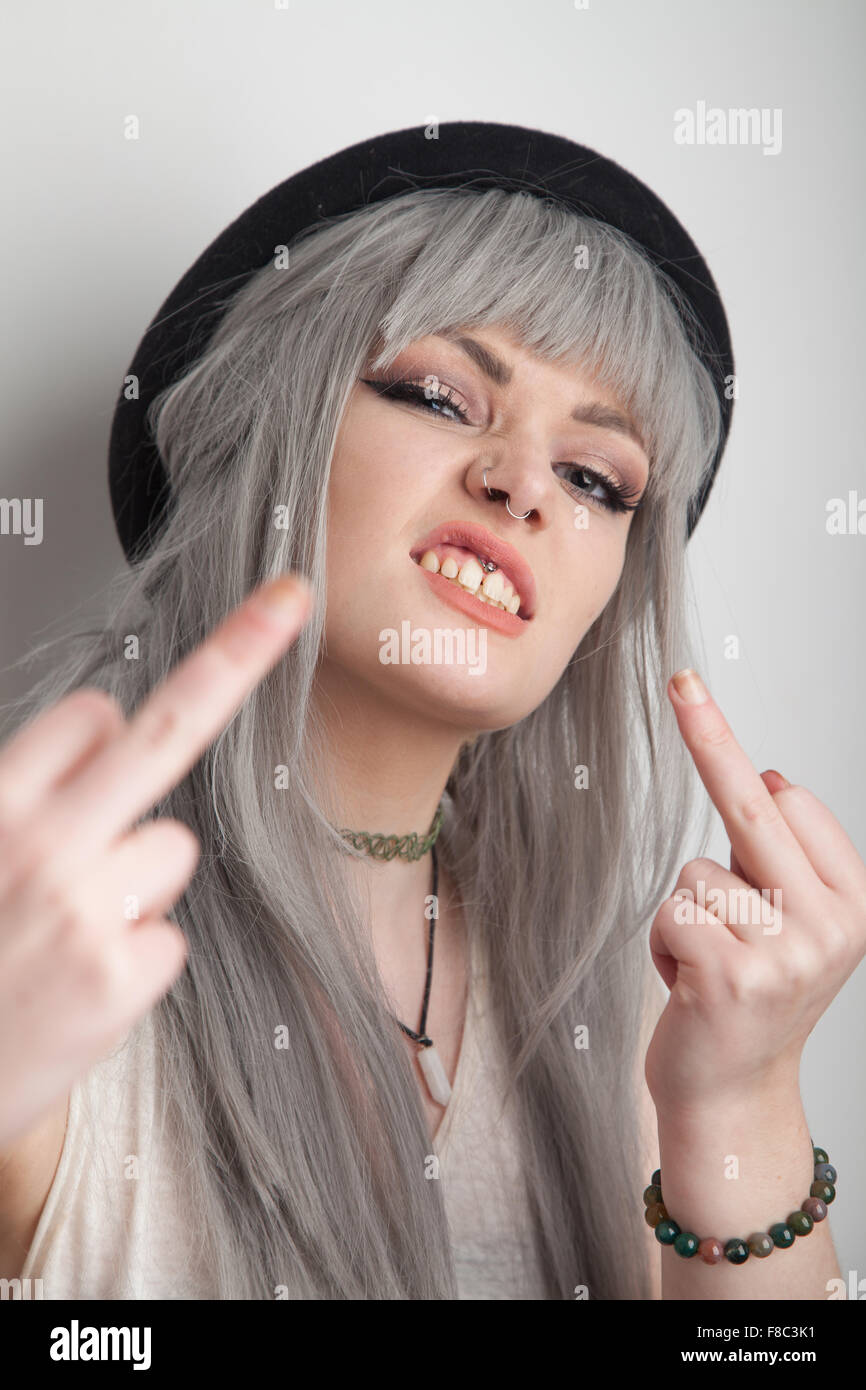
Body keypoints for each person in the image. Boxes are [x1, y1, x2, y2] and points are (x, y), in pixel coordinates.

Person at [0, 125, 861, 1301]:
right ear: (267, 433)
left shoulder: (625, 1014)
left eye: (593, 478)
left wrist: (742, 1102)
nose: (518, 483)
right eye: (439, 397)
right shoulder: (41, 930)